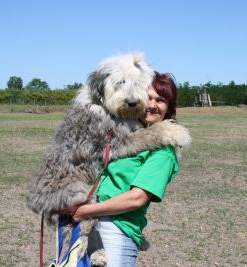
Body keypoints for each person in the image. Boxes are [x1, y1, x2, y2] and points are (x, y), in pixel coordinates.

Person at [73, 71, 182, 267]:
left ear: (169, 108)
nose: (152, 105)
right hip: (90, 227)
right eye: (148, 97)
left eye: (161, 100)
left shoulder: (163, 149)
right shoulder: (123, 135)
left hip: (117, 229)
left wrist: (86, 211)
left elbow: (137, 198)